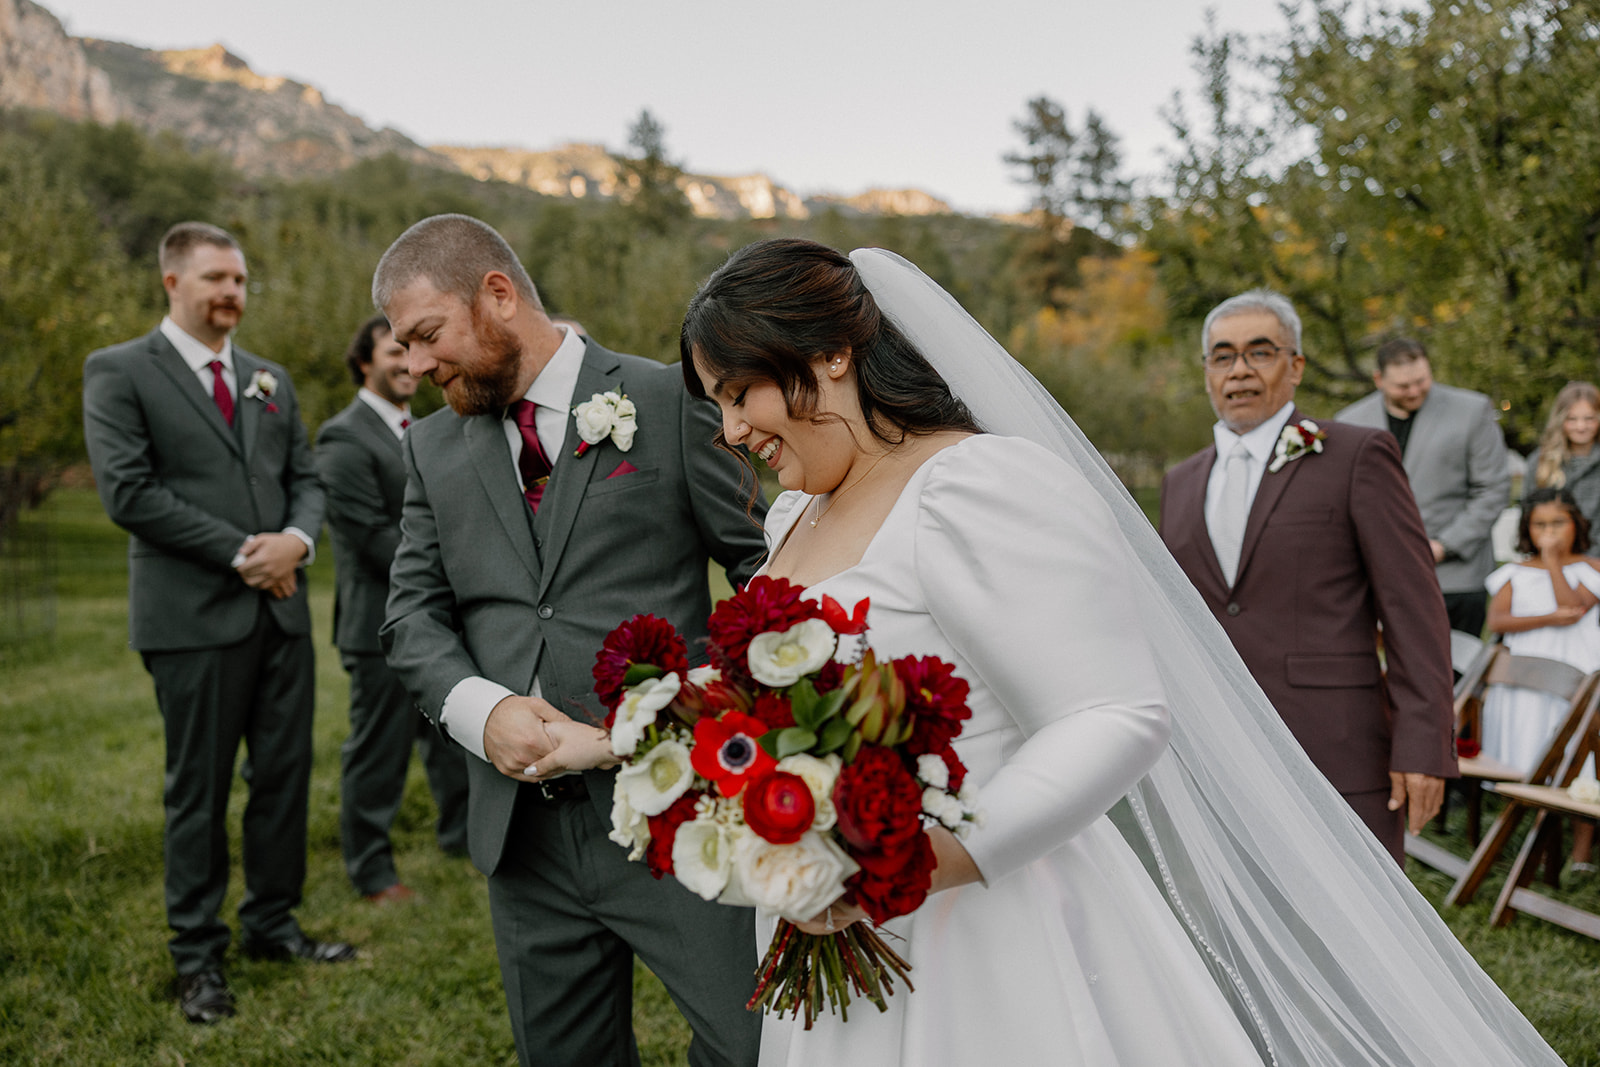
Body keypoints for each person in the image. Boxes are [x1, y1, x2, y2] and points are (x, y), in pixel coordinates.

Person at [536, 239, 1565, 1066]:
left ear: (830, 354)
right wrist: (633, 738)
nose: (724, 429)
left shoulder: (980, 484)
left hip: (992, 924)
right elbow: (790, 688)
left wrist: (915, 863)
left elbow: (1114, 712)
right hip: (835, 932)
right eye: (711, 401)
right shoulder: (795, 509)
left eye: (738, 391)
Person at [373, 214, 768, 1067]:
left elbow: (765, 574)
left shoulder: (668, 401)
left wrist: (721, 703)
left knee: (756, 1045)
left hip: (678, 805)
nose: (414, 366)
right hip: (525, 840)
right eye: (404, 347)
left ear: (499, 294)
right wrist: (485, 712)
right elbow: (409, 616)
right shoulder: (433, 446)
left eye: (426, 335)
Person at [81, 221, 353, 1027]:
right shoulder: (120, 370)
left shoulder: (270, 378)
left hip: (282, 617)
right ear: (173, 283)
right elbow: (128, 493)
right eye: (215, 279)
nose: (232, 292)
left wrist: (298, 540)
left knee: (281, 778)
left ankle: (272, 922)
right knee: (195, 792)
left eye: (239, 279)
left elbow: (306, 478)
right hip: (192, 622)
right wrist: (245, 552)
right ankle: (197, 955)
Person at [1159, 294, 1456, 864]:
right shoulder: (1180, 483)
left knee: (1359, 935)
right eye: (1222, 357)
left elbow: (1413, 611)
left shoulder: (1357, 455)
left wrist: (1424, 747)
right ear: (1207, 373)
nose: (1240, 370)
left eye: (1259, 352)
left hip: (1337, 750)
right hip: (1215, 752)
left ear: (1295, 366)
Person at [315, 314, 470, 904]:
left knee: (450, 738)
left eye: (412, 352)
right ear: (363, 362)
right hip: (376, 623)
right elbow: (368, 538)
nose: (406, 364)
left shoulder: (431, 428)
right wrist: (458, 568)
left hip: (438, 620)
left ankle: (460, 838)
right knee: (377, 752)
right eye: (391, 351)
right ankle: (372, 869)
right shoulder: (342, 437)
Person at [1334, 338, 1510, 635]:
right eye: (1403, 386)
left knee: (1457, 675)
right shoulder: (1349, 421)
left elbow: (1492, 490)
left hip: (1456, 577)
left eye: (1422, 381)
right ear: (1378, 379)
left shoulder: (1473, 410)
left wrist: (1444, 546)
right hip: (1378, 576)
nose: (1415, 391)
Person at [1482, 487, 1600, 868]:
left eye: (1557, 524)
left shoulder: (1590, 569)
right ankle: (1521, 839)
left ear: (1576, 525)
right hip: (1522, 680)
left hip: (1576, 676)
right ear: (1526, 528)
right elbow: (1497, 621)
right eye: (1539, 525)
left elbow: (1572, 605)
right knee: (1526, 750)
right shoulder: (1513, 573)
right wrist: (1549, 618)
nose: (1548, 533)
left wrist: (1552, 561)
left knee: (1580, 757)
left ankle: (1581, 851)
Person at [1523, 381, 1600, 525]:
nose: (1581, 426)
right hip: (1556, 545)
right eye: (1572, 419)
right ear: (1561, 420)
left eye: (1589, 418)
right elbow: (1528, 517)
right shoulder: (1541, 461)